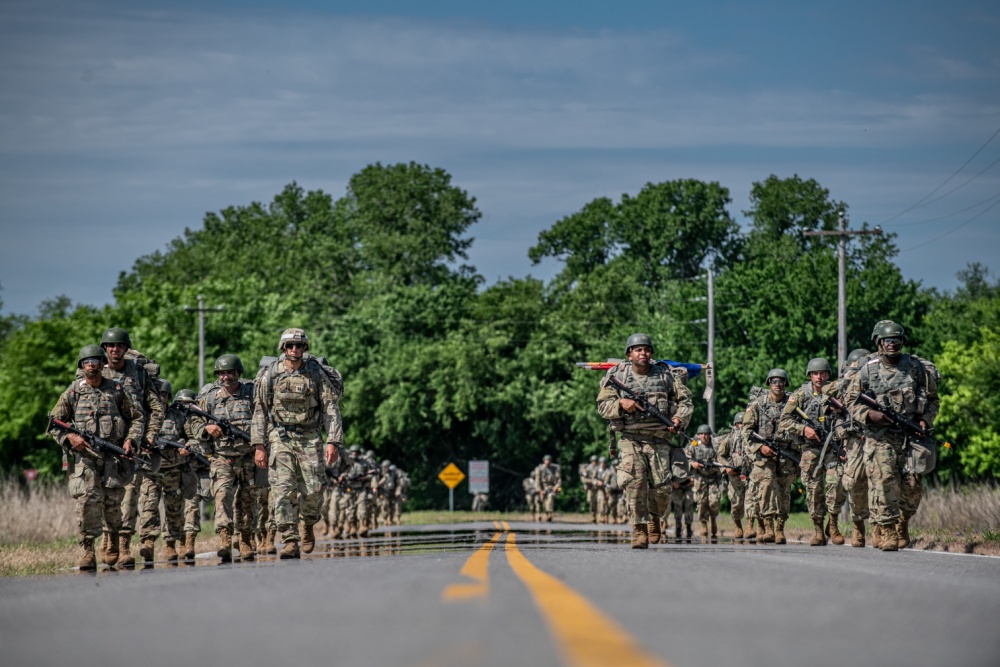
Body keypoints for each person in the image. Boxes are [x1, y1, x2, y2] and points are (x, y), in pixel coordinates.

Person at [48, 345, 145, 570]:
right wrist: (70, 438)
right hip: (86, 457)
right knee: (88, 501)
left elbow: (137, 418)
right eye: (86, 361)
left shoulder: (117, 389)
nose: (91, 364)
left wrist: (131, 440)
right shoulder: (73, 392)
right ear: (81, 366)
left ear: (103, 364)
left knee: (113, 502)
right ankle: (87, 549)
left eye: (95, 360)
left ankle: (111, 541)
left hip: (113, 457)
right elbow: (53, 424)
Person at [845, 321, 938, 552]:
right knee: (883, 481)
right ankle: (886, 530)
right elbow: (850, 401)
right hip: (880, 435)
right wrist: (871, 414)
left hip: (910, 434)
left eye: (896, 341)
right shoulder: (867, 370)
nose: (892, 345)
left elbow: (933, 399)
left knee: (912, 484)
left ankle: (902, 521)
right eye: (887, 341)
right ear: (878, 343)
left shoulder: (915, 368)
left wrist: (925, 419)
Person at [252, 329, 343, 558]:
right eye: (290, 345)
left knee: (313, 490)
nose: (295, 349)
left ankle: (307, 524)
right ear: (283, 347)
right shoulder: (270, 374)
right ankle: (290, 539)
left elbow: (330, 408)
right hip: (280, 437)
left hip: (310, 437)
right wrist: (259, 446)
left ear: (305, 348)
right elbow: (260, 411)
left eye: (299, 345)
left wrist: (333, 441)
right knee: (282, 491)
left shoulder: (315, 374)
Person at [596, 333, 693, 549]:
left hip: (659, 439)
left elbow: (686, 401)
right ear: (629, 353)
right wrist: (621, 403)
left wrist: (678, 418)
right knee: (634, 483)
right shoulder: (617, 375)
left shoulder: (665, 374)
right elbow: (602, 406)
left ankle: (655, 518)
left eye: (647, 349)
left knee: (662, 487)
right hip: (631, 438)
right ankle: (639, 530)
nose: (643, 353)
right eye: (638, 349)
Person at [94, 327, 164, 568]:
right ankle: (107, 537)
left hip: (131, 443)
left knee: (130, 495)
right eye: (110, 346)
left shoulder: (138, 373)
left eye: (120, 346)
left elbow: (155, 407)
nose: (115, 350)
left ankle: (123, 545)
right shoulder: (94, 371)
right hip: (102, 444)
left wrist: (151, 434)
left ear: (126, 348)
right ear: (104, 349)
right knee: (102, 495)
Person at [189, 354, 257, 562]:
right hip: (221, 457)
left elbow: (263, 419)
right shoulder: (208, 396)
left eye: (230, 372)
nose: (226, 377)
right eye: (222, 373)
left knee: (246, 503)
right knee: (222, 499)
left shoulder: (251, 394)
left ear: (238, 373)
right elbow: (193, 422)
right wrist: (206, 428)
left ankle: (244, 540)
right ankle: (225, 540)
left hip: (247, 457)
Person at [779, 358, 841, 547]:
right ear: (810, 376)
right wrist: (804, 430)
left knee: (836, 483)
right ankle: (817, 530)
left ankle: (833, 525)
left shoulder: (836, 391)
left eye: (823, 373)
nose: (819, 377)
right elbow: (784, 420)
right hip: (810, 449)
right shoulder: (800, 395)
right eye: (815, 373)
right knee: (813, 490)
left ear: (828, 375)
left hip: (832, 447)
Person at [136, 380, 196, 564]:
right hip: (151, 471)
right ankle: (148, 542)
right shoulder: (144, 416)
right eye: (155, 395)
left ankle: (171, 544)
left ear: (168, 397)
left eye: (162, 395)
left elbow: (192, 438)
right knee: (148, 507)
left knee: (174, 509)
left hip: (173, 470)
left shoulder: (178, 415)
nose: (159, 399)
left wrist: (187, 447)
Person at [825, 348, 872, 547]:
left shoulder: (875, 380)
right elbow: (827, 393)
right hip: (851, 440)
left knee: (878, 482)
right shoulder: (844, 384)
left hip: (875, 435)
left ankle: (879, 528)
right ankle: (856, 524)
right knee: (852, 483)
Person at [744, 368, 794, 544]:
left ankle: (780, 528)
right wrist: (760, 447)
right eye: (774, 381)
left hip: (786, 453)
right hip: (763, 454)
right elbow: (746, 431)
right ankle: (768, 527)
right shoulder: (758, 404)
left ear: (785, 384)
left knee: (783, 490)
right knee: (765, 487)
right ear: (769, 384)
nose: (778, 384)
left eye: (781, 381)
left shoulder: (792, 403)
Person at [716, 413, 748, 538]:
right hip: (735, 475)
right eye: (740, 423)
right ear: (735, 424)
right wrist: (727, 467)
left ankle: (752, 525)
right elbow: (720, 455)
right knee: (736, 502)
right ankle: (738, 525)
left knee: (754, 501)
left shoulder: (752, 437)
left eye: (744, 424)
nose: (742, 426)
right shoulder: (729, 438)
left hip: (750, 474)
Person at [687, 425, 722, 538]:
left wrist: (717, 467)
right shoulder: (694, 444)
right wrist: (693, 464)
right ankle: (703, 524)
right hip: (700, 478)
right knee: (701, 502)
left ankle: (713, 519)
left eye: (706, 434)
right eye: (701, 434)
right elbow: (686, 456)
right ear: (698, 435)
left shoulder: (715, 444)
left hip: (713, 478)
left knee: (714, 502)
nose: (704, 436)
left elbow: (722, 457)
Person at [534, 455, 562, 522]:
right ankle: (544, 514)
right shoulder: (540, 469)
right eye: (546, 460)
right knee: (542, 501)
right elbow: (537, 481)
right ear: (544, 461)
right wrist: (540, 490)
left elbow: (559, 480)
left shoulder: (555, 469)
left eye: (549, 460)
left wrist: (556, 487)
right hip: (543, 488)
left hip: (553, 488)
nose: (548, 462)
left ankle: (550, 514)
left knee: (550, 497)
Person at [580, 455, 599, 522]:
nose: (594, 462)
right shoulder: (587, 468)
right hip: (590, 487)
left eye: (596, 461)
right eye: (593, 461)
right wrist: (587, 482)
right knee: (590, 501)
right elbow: (583, 478)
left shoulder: (599, 468)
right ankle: (593, 515)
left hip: (598, 487)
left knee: (598, 501)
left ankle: (599, 516)